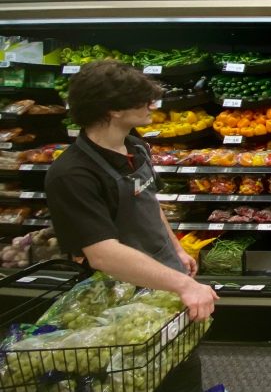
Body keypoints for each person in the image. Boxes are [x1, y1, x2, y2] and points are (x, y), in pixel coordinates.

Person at [45, 60, 217, 392]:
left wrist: (175, 248)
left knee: (181, 367)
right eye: (141, 100)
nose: (151, 106)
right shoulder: (72, 175)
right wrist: (184, 286)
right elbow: (103, 255)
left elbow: (148, 201)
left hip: (163, 285)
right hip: (119, 301)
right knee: (133, 377)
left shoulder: (136, 146)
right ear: (112, 109)